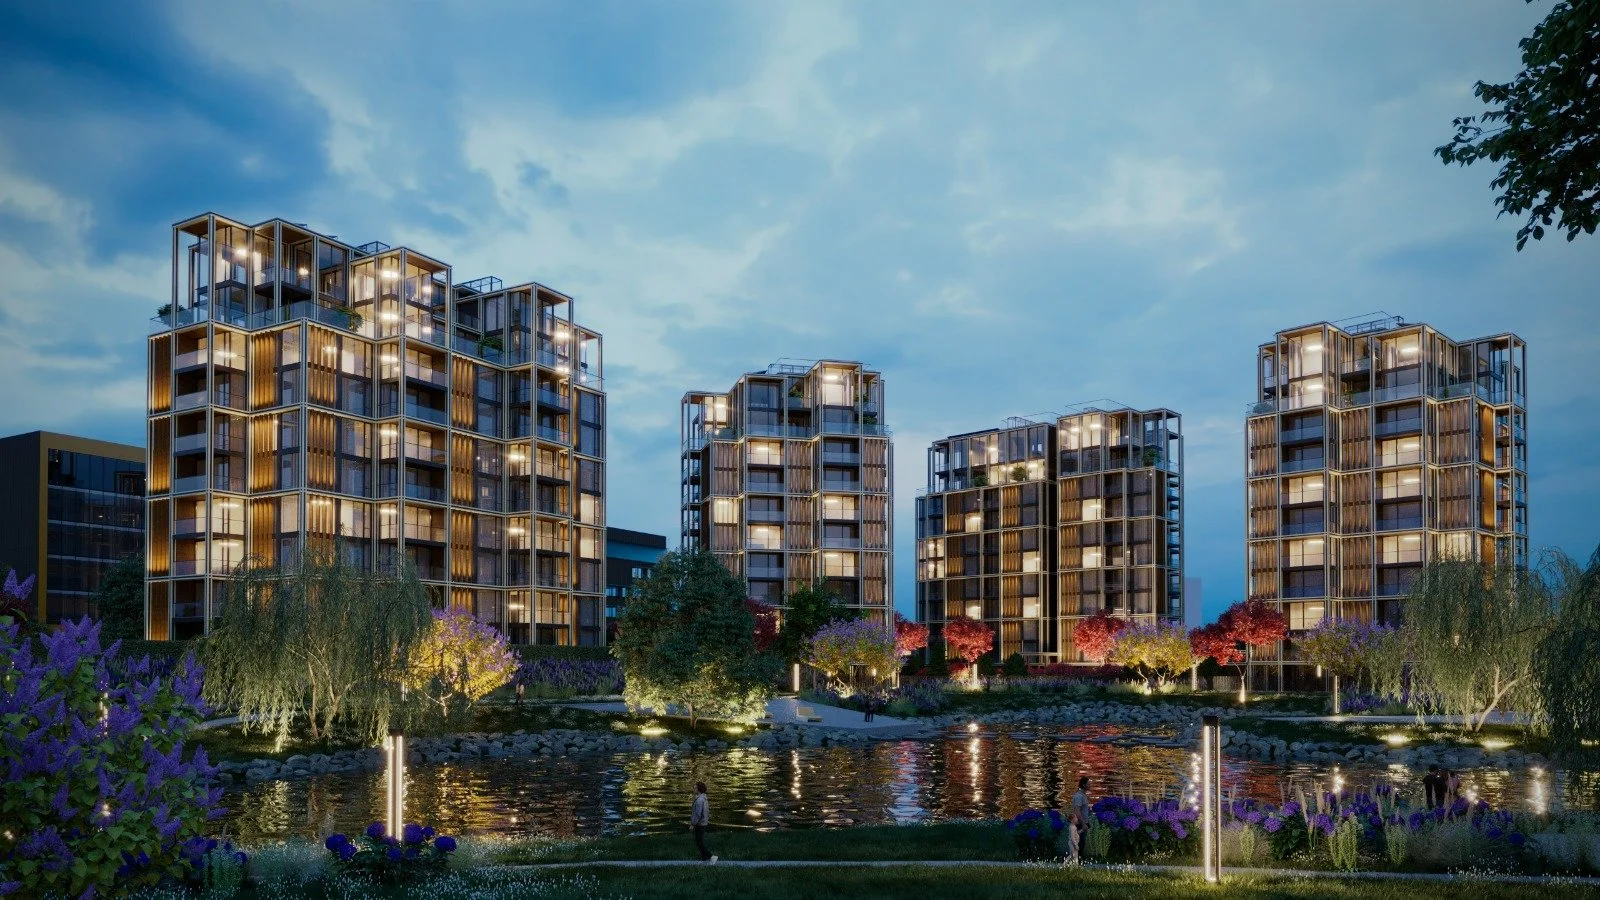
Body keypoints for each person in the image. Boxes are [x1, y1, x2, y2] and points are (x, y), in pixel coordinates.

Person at [691, 782, 716, 863]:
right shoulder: (704, 799)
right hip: (703, 822)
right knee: (699, 841)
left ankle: (711, 857)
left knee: (699, 842)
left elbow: (698, 814)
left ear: (699, 789)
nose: (694, 789)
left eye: (695, 788)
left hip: (699, 824)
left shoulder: (699, 800)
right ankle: (704, 859)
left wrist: (693, 824)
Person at [1070, 776, 1091, 861]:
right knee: (1079, 844)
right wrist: (1083, 824)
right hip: (1079, 824)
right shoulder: (1079, 796)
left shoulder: (1083, 795)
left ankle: (1078, 862)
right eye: (1088, 784)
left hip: (1082, 823)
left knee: (1081, 844)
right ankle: (1077, 863)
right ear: (1083, 784)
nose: (1090, 785)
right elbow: (1077, 811)